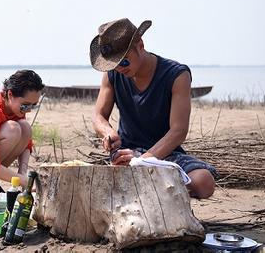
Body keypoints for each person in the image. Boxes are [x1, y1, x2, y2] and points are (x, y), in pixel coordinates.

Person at [90, 18, 217, 199]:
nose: (120, 69)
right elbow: (98, 116)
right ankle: (154, 194)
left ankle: (150, 193)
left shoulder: (176, 75)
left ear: (140, 45)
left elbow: (178, 131)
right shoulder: (112, 76)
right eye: (114, 65)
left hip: (165, 154)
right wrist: (108, 133)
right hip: (127, 153)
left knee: (203, 182)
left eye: (124, 62)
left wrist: (144, 160)